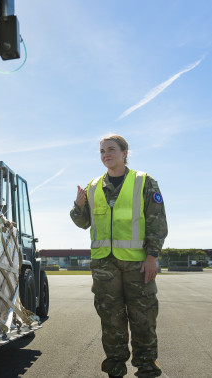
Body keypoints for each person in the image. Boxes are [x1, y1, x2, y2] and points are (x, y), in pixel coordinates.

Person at [70, 134, 167, 378]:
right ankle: (115, 365)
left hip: (138, 264)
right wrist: (79, 206)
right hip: (104, 264)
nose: (106, 155)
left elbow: (157, 221)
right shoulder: (93, 186)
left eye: (111, 150)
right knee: (111, 319)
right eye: (102, 151)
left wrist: (152, 255)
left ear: (125, 153)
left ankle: (146, 366)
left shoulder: (144, 181)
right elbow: (83, 223)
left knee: (143, 317)